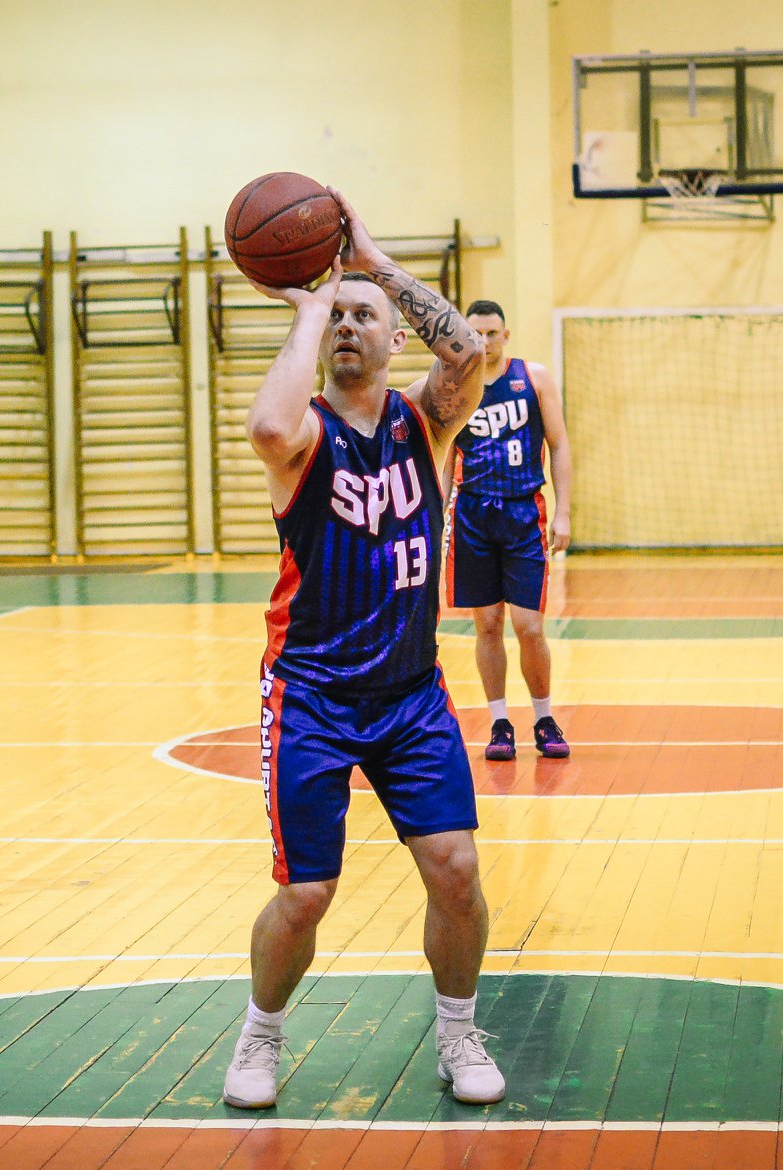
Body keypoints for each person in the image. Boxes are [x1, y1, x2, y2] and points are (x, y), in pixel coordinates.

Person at [222, 191, 504, 1109]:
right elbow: (267, 428)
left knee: (456, 872)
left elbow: (466, 351)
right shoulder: (304, 436)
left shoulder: (428, 421)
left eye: (363, 315)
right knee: (306, 895)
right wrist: (310, 307)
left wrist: (373, 262)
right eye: (336, 317)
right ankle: (260, 1035)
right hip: (311, 693)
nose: (347, 324)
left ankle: (458, 1032)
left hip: (411, 694)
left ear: (394, 336)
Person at [447, 301, 574, 761]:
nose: (483, 342)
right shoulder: (453, 386)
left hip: (523, 512)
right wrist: (432, 515)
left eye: (492, 333)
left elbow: (559, 444)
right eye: (475, 334)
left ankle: (543, 717)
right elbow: (445, 457)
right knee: (487, 624)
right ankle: (500, 722)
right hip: (472, 514)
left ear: (506, 335)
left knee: (529, 626)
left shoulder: (533, 378)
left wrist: (563, 513)